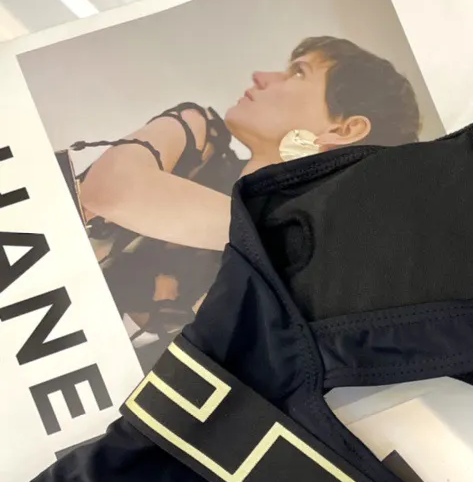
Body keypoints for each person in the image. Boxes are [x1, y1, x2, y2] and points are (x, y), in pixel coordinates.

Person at [72, 36, 421, 367]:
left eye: (299, 73)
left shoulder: (303, 283)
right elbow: (107, 191)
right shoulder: (199, 138)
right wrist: (274, 242)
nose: (261, 76)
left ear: (343, 130)